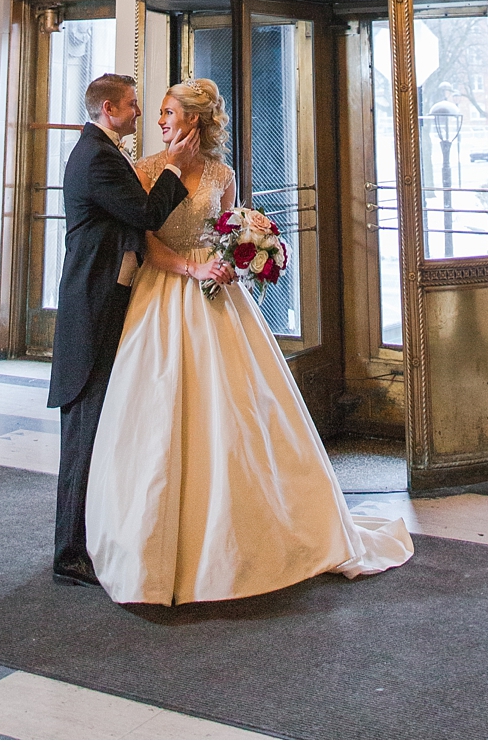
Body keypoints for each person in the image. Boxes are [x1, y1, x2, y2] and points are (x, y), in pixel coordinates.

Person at [86, 77, 413, 605]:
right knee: (160, 413)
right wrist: (192, 268)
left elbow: (225, 228)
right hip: (163, 295)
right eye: (158, 111)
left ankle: (253, 525)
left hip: (217, 301)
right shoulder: (145, 170)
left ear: (194, 119)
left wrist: (240, 255)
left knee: (238, 410)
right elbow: (143, 242)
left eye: (168, 111)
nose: (159, 119)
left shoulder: (222, 173)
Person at [48, 71, 199, 585]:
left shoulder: (103, 152)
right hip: (91, 309)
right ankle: (69, 554)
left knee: (101, 430)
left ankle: (93, 537)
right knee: (84, 433)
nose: (140, 114)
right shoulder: (96, 157)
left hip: (112, 302)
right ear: (109, 110)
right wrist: (176, 165)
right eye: (133, 105)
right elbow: (146, 213)